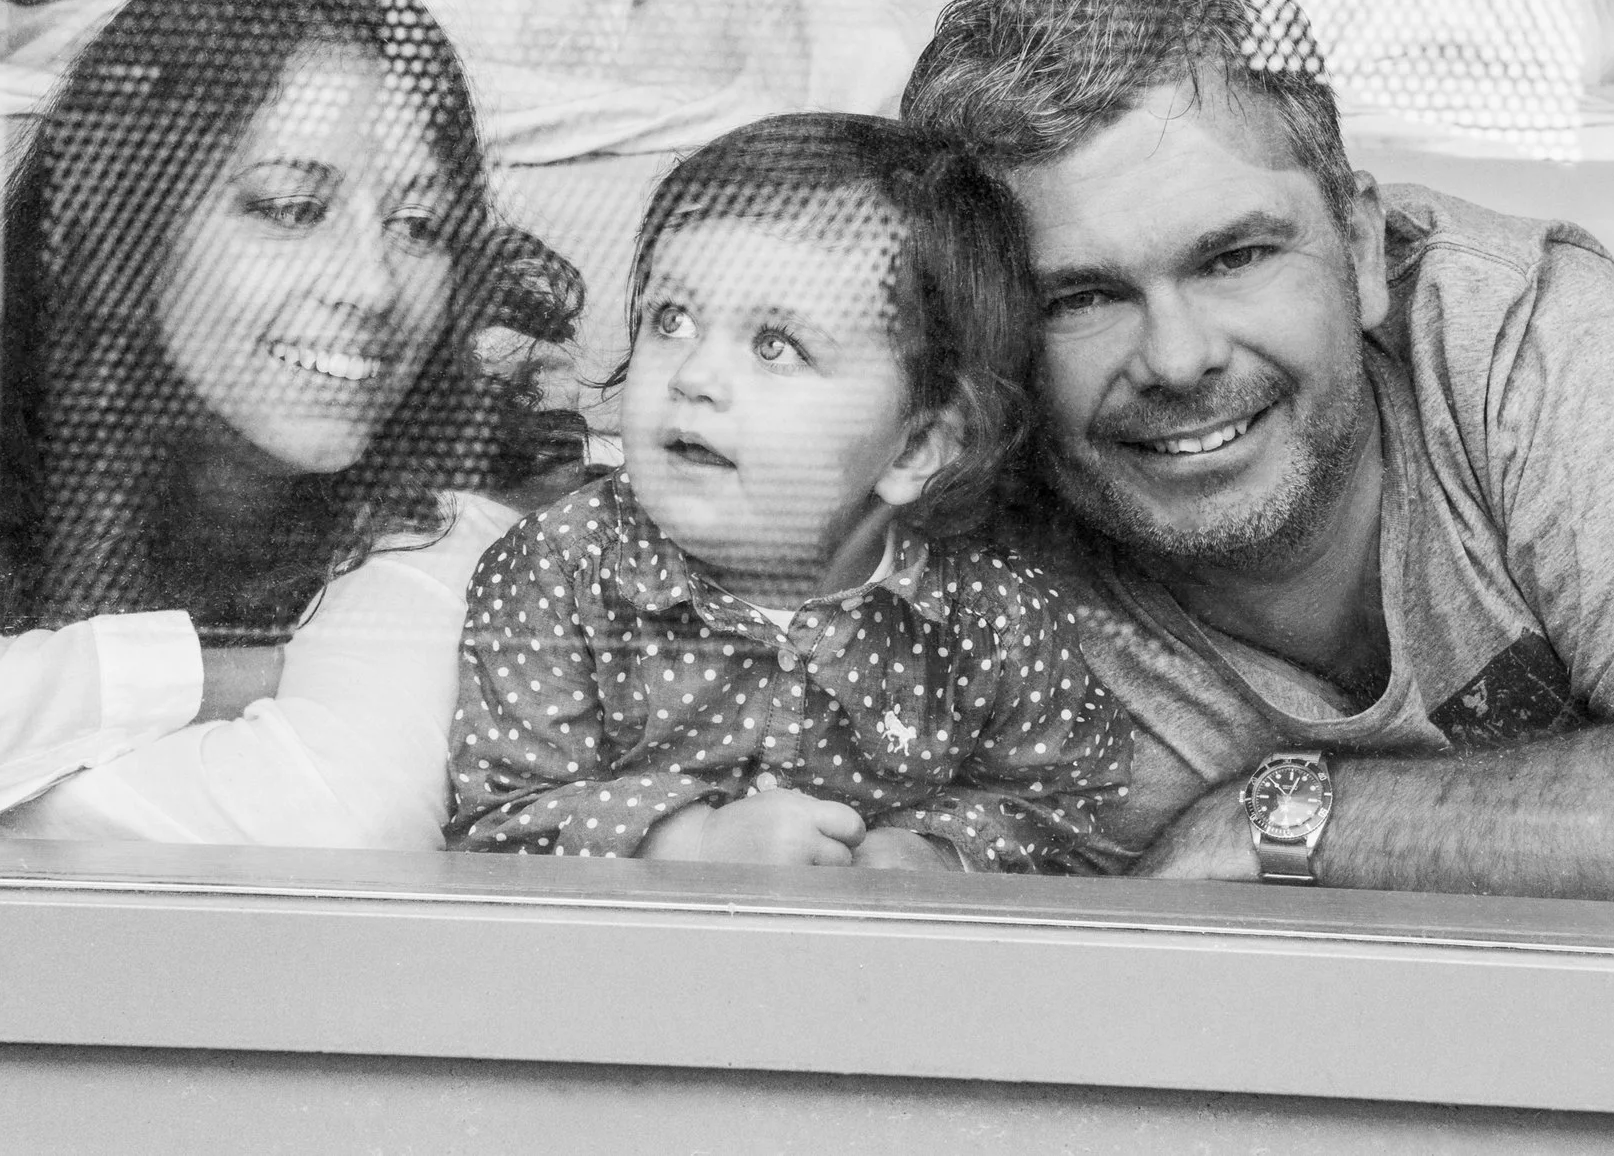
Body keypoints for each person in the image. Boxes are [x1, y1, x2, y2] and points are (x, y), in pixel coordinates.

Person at [901, 0, 1614, 913]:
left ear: (1363, 249)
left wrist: (1281, 818)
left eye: (1236, 257)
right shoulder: (975, 580)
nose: (1179, 358)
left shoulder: (1505, 327)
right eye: (1079, 298)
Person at [0, 0, 584, 848]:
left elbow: (336, 819)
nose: (372, 286)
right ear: (127, 222)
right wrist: (218, 676)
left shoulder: (458, 465)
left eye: (421, 225)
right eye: (291, 209)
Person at [448, 113, 1131, 872]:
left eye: (775, 346)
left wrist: (941, 854)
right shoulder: (557, 569)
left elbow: (1065, 805)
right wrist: (687, 844)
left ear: (914, 449)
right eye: (672, 320)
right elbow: (497, 823)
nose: (694, 376)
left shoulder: (993, 618)